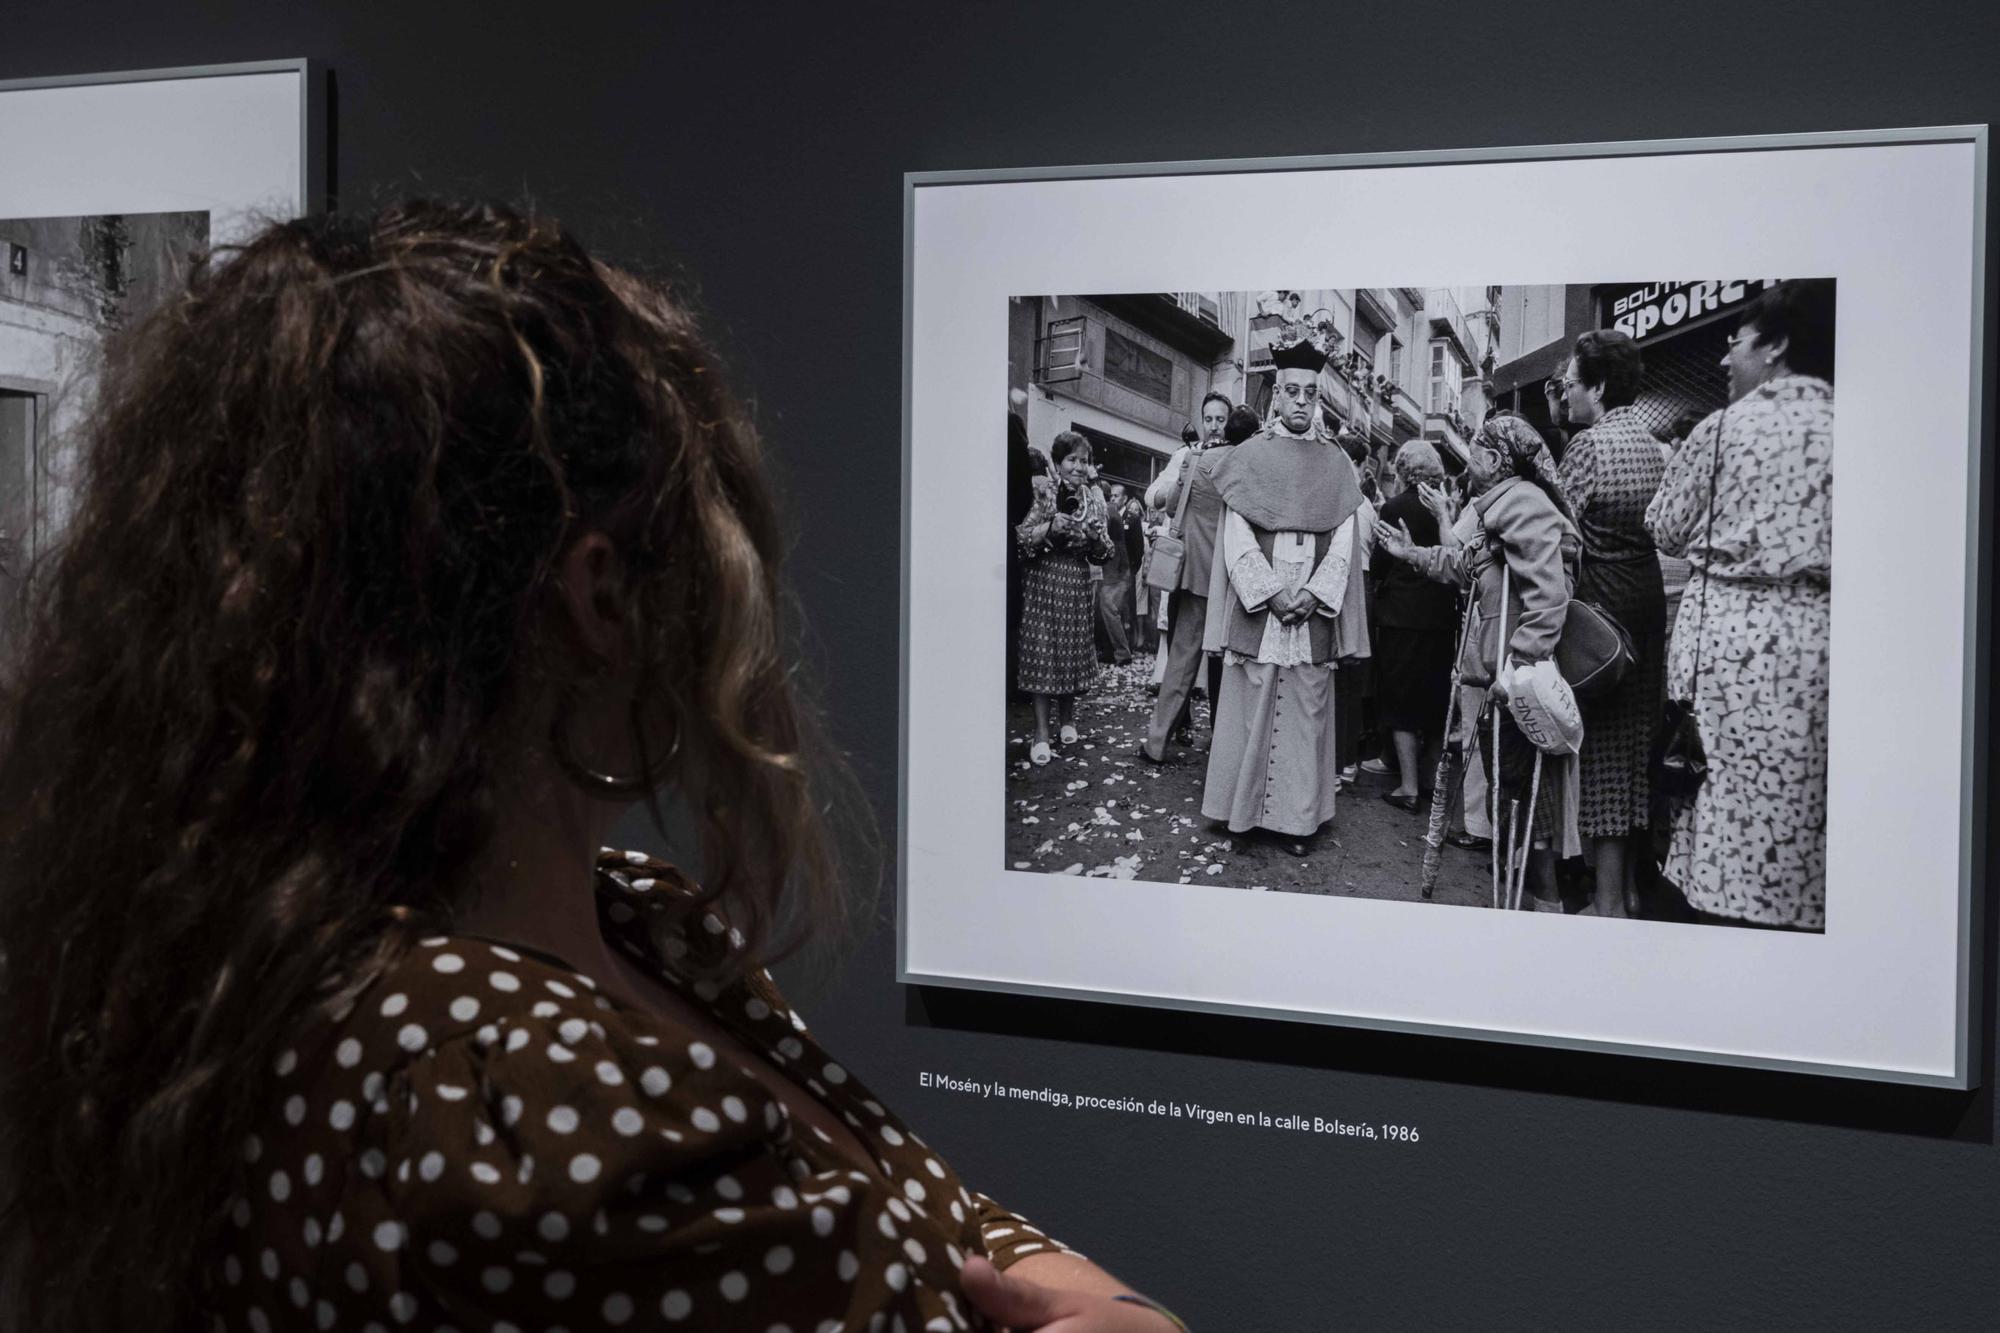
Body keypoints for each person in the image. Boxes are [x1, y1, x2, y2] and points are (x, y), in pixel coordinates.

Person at [0, 204, 1190, 1333]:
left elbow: (928, 1214)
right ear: (601, 594)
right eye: (706, 539)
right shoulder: (526, 1097)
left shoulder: (619, 919)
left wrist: (1045, 1270)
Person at [1645, 279, 1834, 931]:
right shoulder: (1855, 428)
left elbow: (1665, 525)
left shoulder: (1725, 429)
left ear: (1776, 344)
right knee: (1801, 820)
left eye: (1737, 343)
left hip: (1728, 650)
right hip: (1819, 650)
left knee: (1722, 811)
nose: (1725, 360)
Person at [1377, 413, 1583, 906]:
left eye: (1474, 450)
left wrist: (1516, 669)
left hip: (1517, 684)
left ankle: (1539, 907)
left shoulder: (1523, 505)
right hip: (1502, 680)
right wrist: (1413, 555)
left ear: (1493, 458)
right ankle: (1522, 903)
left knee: (1523, 800)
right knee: (1507, 795)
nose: (1467, 461)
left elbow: (1550, 596)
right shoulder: (1499, 506)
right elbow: (1467, 568)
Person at [1198, 341, 1367, 844]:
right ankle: (1242, 815)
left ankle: (1296, 820)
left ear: (1317, 399)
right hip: (1263, 605)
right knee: (1251, 704)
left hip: (1311, 606)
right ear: (1276, 396)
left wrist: (1314, 596)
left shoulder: (1337, 463)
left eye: (1310, 394)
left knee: (1305, 712)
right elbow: (1236, 535)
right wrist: (1270, 593)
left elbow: (1343, 538)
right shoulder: (1249, 457)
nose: (1300, 402)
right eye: (1292, 392)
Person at [1555, 330, 1668, 918]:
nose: (1567, 395)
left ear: (1596, 388)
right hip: (1648, 608)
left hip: (1602, 622)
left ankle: (1606, 907)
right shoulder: (1655, 446)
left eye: (1572, 384)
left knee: (1600, 761)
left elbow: (1560, 537)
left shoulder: (1588, 448)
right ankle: (1624, 892)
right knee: (1635, 758)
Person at [1137, 389, 1235, 763]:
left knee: (1180, 662)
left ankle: (1157, 743)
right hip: (1224, 575)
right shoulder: (1240, 460)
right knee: (1222, 665)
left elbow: (1170, 505)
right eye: (1208, 418)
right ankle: (1220, 744)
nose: (1212, 425)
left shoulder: (1194, 459)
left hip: (1189, 570)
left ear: (1226, 421)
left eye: (1218, 419)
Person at [1370, 441, 1461, 812]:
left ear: (1404, 470)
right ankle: (1428, 782)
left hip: (1402, 617)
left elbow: (1379, 563)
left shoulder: (1393, 508)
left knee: (1401, 699)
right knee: (1436, 700)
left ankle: (1407, 786)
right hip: (1441, 616)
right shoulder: (1448, 509)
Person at [1018, 432, 1115, 763]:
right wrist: (1048, 530)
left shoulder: (1094, 500)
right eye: (1072, 460)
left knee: (1070, 653)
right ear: (1058, 464)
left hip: (1075, 583)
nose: (1078, 466)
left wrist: (1094, 540)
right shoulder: (1043, 494)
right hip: (1043, 583)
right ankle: (1041, 732)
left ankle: (1068, 719)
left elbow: (1106, 552)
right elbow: (1020, 540)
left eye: (1083, 461)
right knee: (1043, 653)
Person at [1095, 481, 1136, 666]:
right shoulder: (1113, 511)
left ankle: (1122, 652)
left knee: (1109, 610)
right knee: (1111, 611)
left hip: (1115, 571)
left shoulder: (1108, 512)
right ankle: (1116, 652)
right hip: (1118, 570)